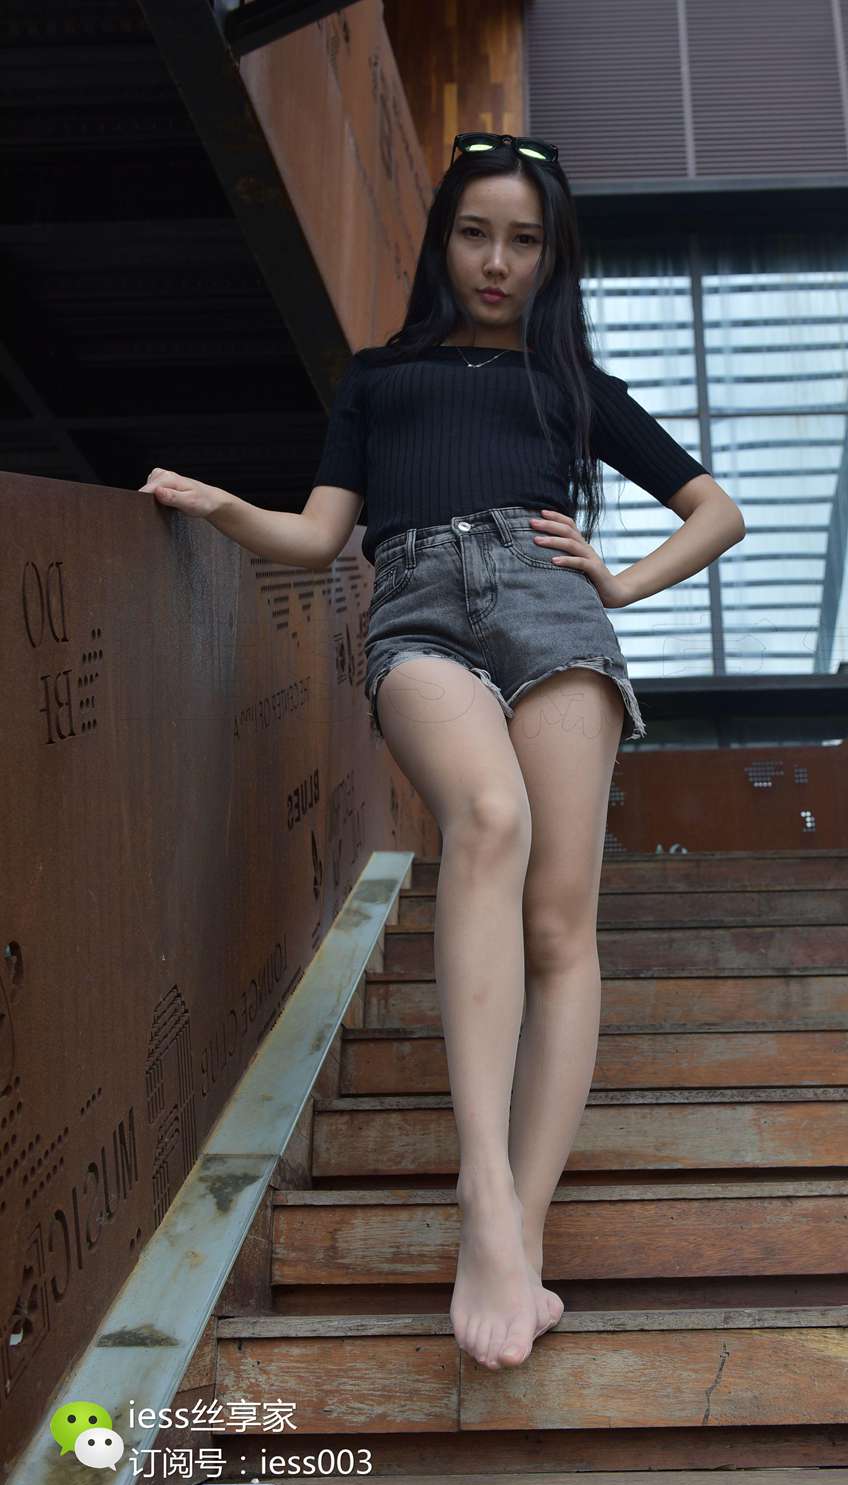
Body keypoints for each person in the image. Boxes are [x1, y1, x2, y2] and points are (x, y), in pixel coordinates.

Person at [138, 131, 746, 1375]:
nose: (498, 261)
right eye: (477, 233)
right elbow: (319, 540)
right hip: (415, 611)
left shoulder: (571, 383)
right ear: (443, 242)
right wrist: (221, 506)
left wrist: (619, 583)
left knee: (560, 924)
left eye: (525, 241)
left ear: (550, 257)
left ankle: (519, 1230)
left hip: (553, 613)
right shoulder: (379, 378)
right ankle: (482, 1186)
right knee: (488, 817)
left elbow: (717, 510)